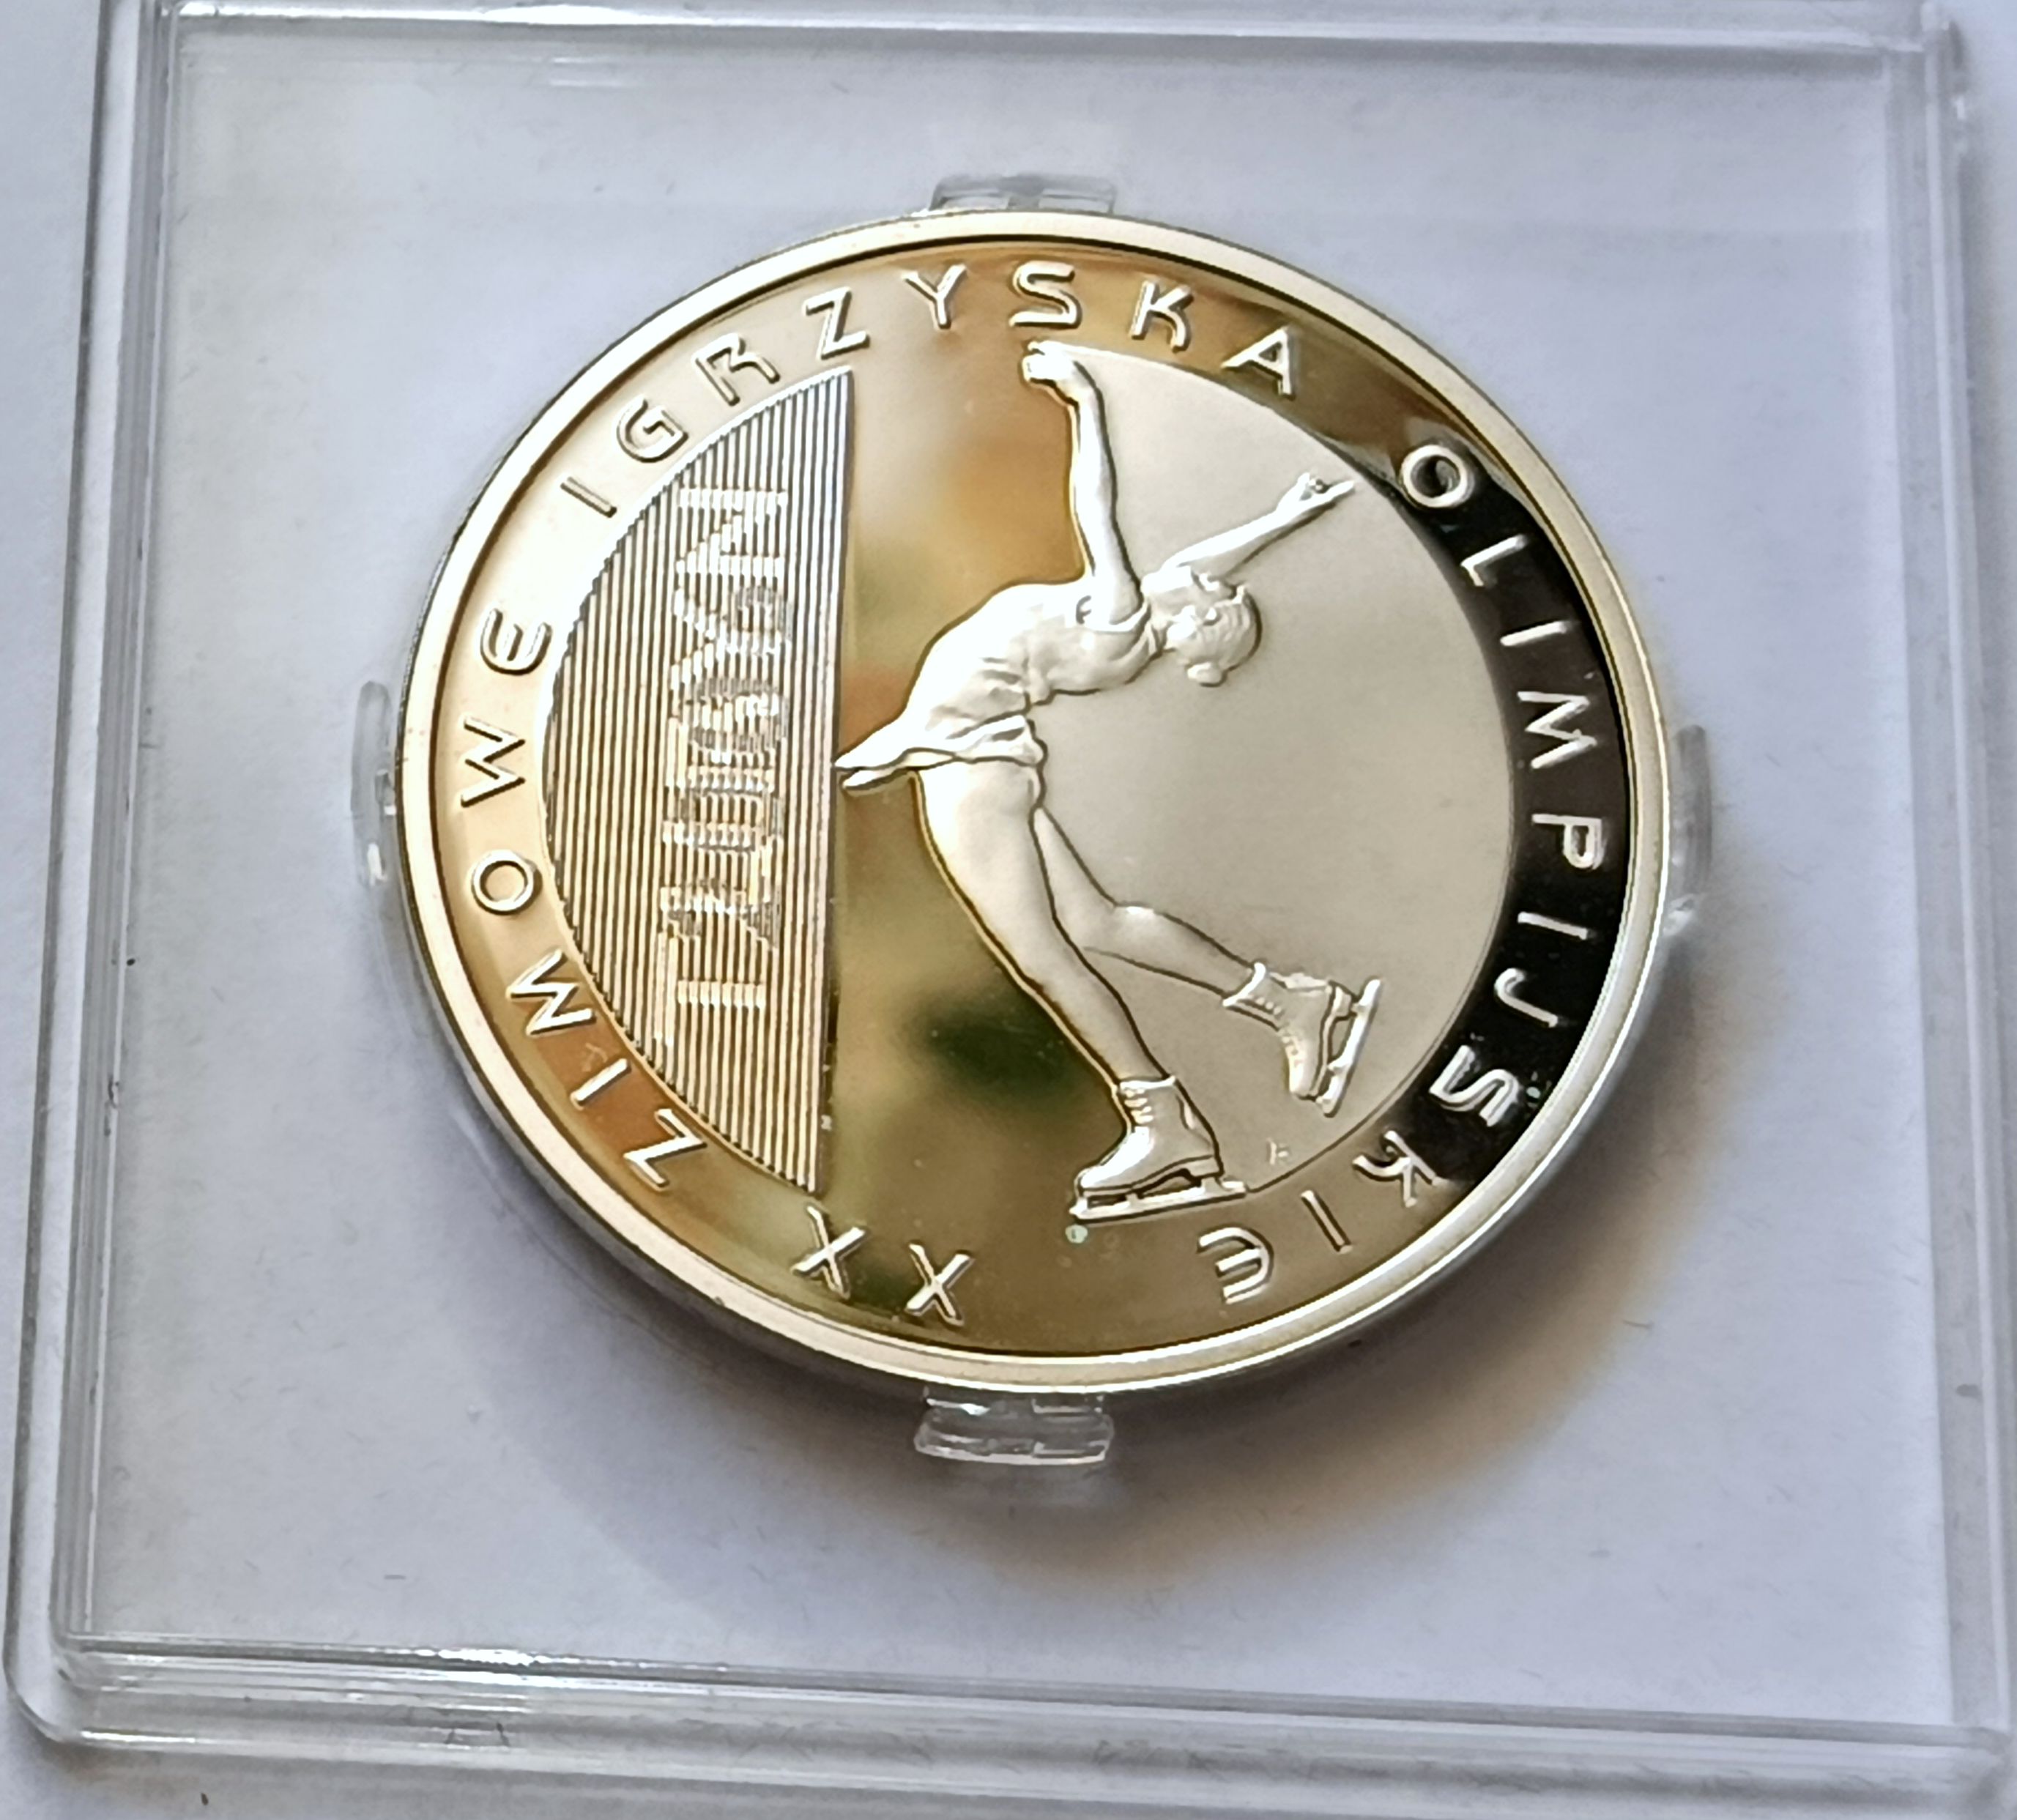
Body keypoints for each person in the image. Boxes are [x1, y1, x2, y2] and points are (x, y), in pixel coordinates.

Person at [838, 341, 1378, 1219]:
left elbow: (1097, 505)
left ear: (1196, 624)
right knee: (1098, 923)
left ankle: (1162, 1120)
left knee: (1045, 960)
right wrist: (1284, 519)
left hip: (971, 767)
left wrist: (1086, 402)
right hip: (983, 758)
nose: (1206, 583)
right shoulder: (1159, 605)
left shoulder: (1119, 614)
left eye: (1213, 600)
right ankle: (1289, 1000)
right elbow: (1210, 561)